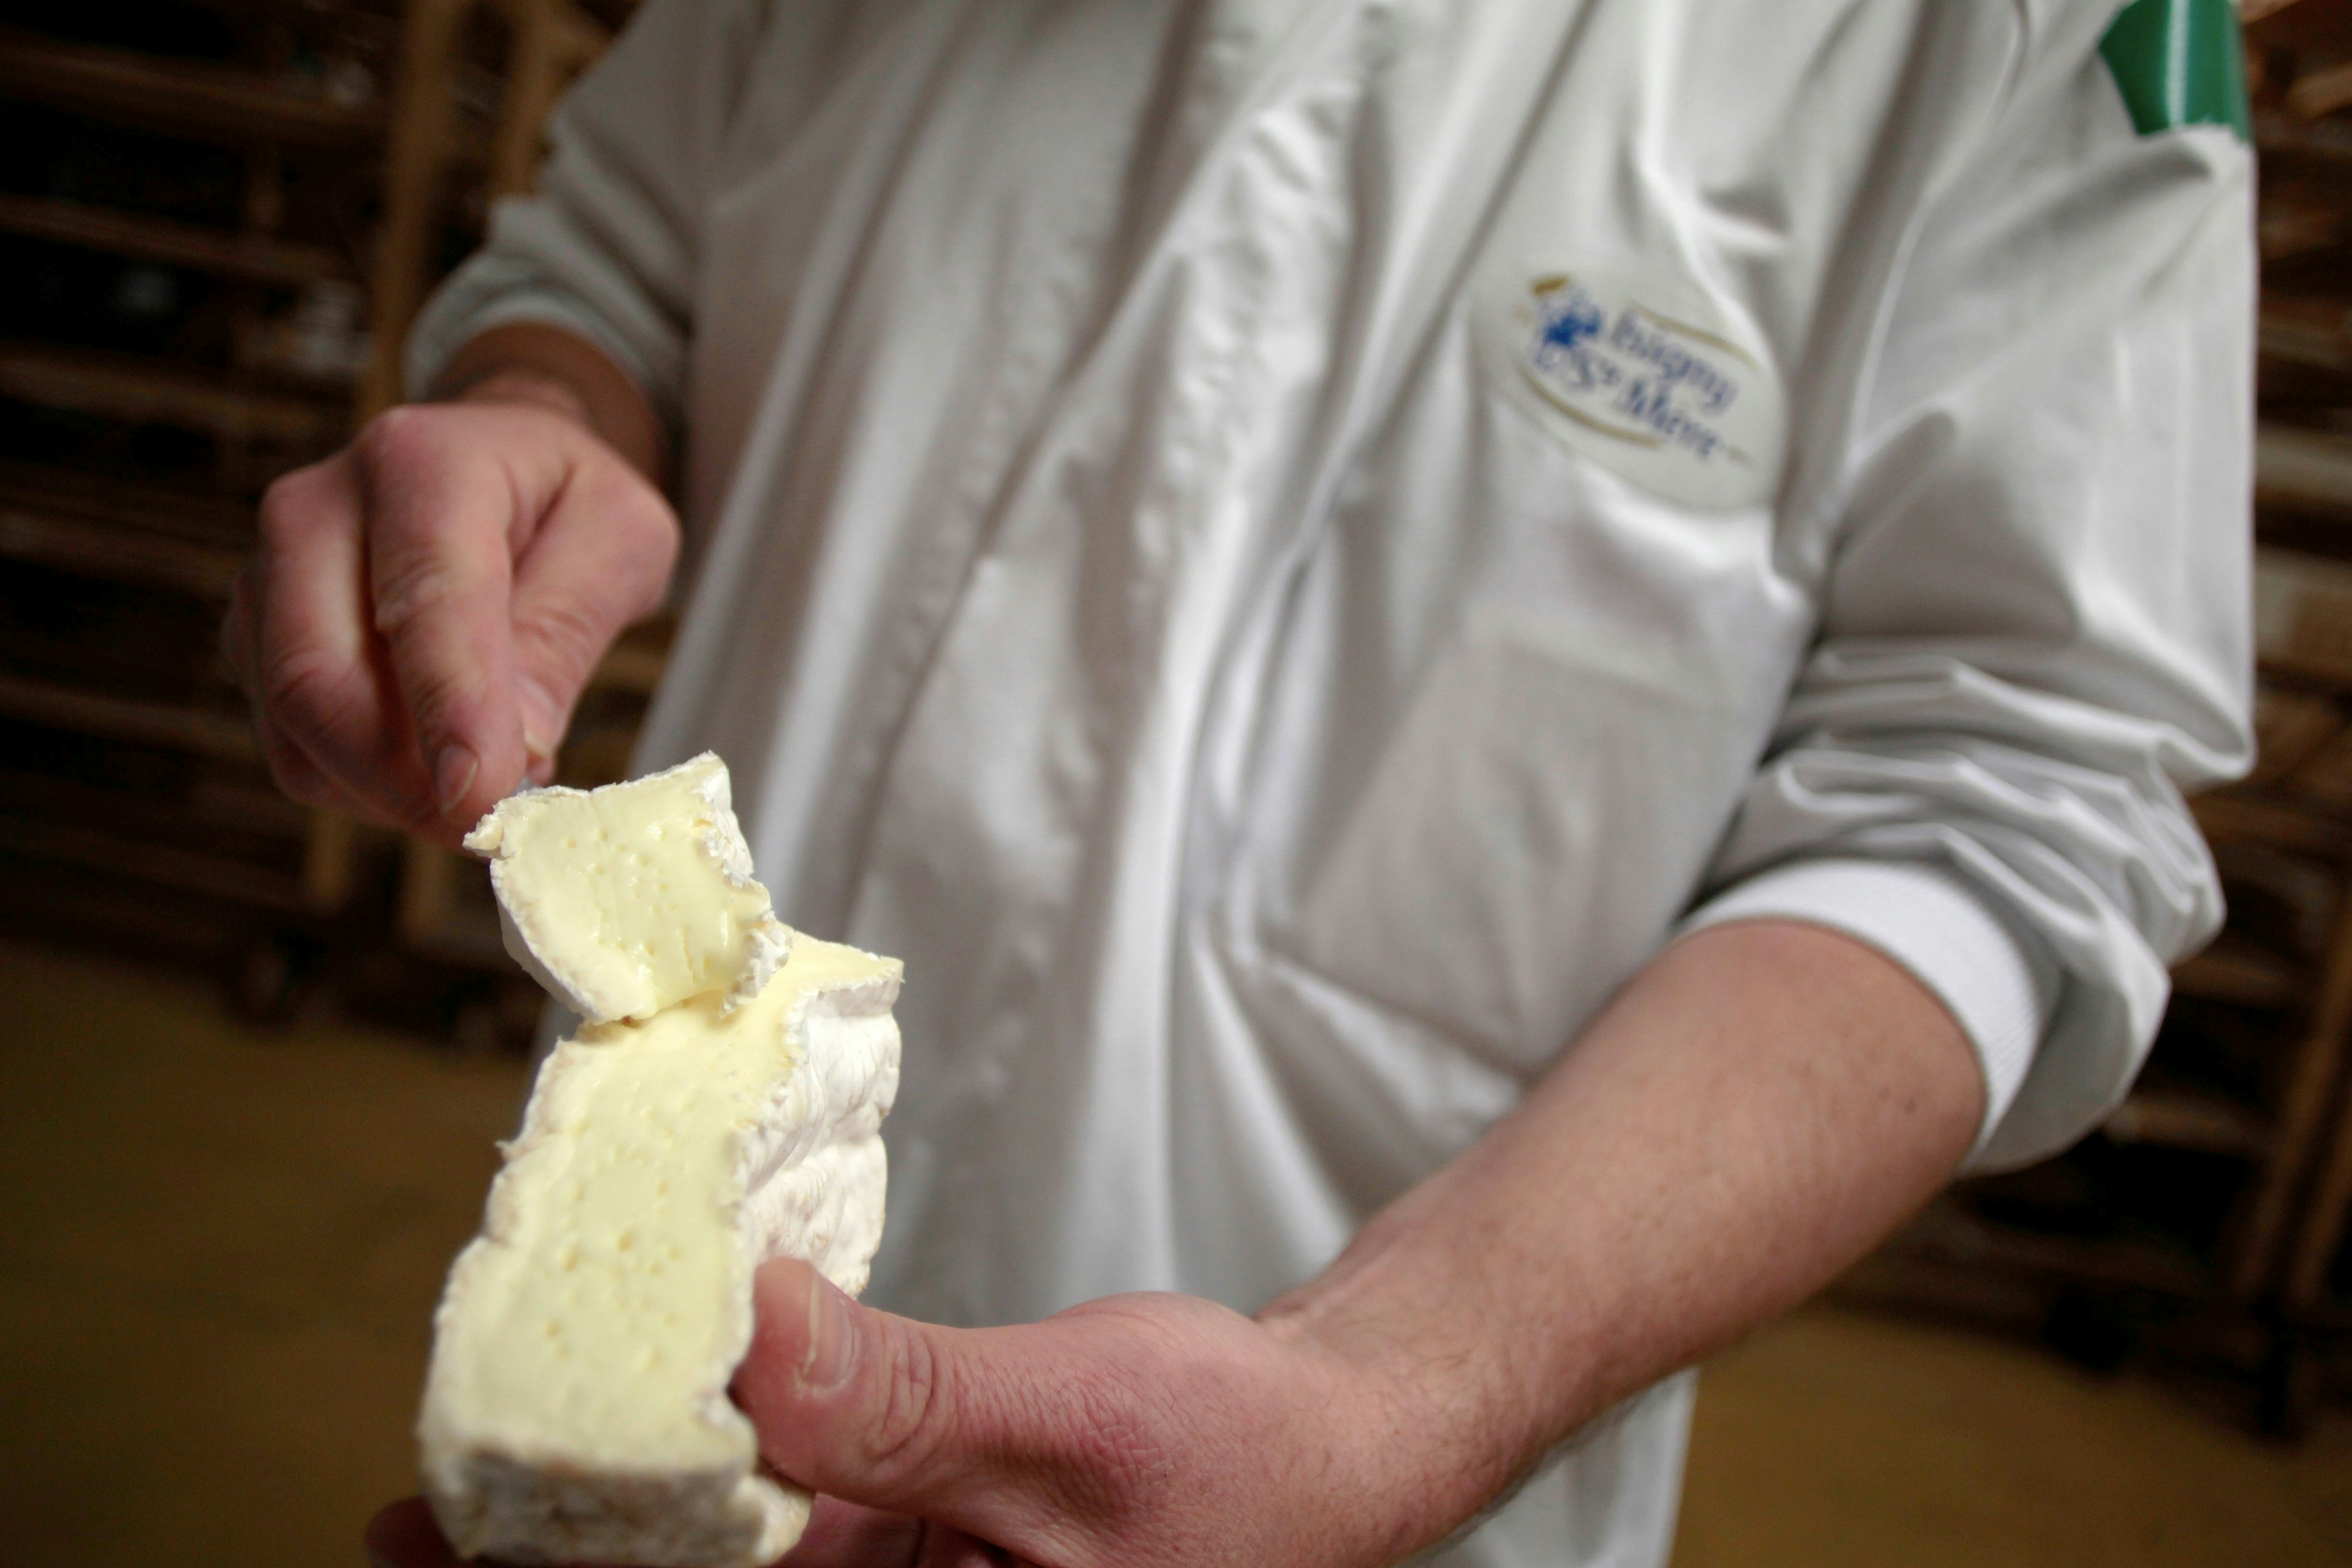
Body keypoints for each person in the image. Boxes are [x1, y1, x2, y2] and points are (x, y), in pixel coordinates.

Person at [231, 2, 2257, 1564]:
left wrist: (1388, 1401)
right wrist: (535, 407)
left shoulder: (2018, 46)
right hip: (677, 1375)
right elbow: (633, 245)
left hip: (1370, 1475)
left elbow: (2003, 796)